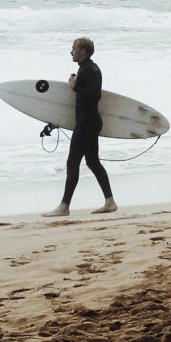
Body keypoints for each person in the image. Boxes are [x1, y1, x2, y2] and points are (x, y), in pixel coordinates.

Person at [44, 36, 116, 217]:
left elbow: (94, 95)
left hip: (86, 124)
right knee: (92, 162)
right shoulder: (90, 68)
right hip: (90, 121)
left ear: (83, 51)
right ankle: (110, 202)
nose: (71, 52)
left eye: (74, 48)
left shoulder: (88, 69)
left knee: (73, 163)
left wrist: (74, 87)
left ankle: (64, 207)